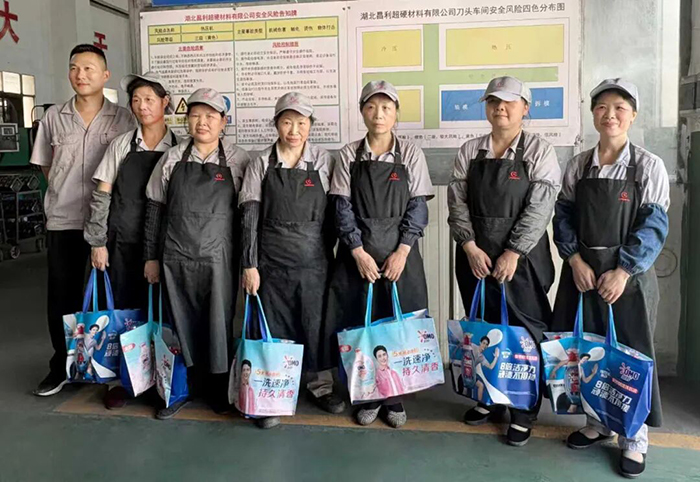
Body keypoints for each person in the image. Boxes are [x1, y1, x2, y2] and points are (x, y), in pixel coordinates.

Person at [552, 78, 669, 478]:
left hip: (629, 280)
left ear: (632, 115)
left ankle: (634, 436)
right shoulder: (578, 165)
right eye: (602, 107)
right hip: (583, 275)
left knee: (631, 354)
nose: (611, 115)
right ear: (593, 114)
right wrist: (574, 260)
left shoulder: (648, 166)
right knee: (590, 347)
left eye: (620, 107)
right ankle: (598, 421)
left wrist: (623, 271)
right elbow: (563, 217)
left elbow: (653, 226)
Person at [447, 76, 561, 446]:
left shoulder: (539, 151)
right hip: (476, 257)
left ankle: (524, 409)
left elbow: (540, 207)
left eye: (510, 102)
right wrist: (469, 245)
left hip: (522, 260)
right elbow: (457, 202)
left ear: (525, 108)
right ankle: (489, 397)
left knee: (525, 333)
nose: (501, 108)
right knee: (484, 326)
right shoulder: (471, 150)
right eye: (494, 101)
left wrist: (513, 251)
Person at [325, 80, 434, 429]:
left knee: (396, 325)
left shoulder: (411, 154)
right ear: (362, 112)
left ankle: (394, 396)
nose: (379, 114)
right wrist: (357, 251)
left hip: (400, 257)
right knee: (360, 324)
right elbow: (341, 207)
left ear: (396, 113)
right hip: (357, 257)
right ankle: (368, 394)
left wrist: (403, 251)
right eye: (371, 107)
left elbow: (418, 207)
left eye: (386, 107)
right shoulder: (348, 155)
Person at [29, 44, 136, 397]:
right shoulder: (53, 117)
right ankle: (61, 366)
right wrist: (63, 191)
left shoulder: (124, 119)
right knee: (62, 297)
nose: (81, 74)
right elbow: (46, 165)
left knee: (111, 295)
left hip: (107, 224)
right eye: (75, 68)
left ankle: (112, 368)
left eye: (89, 68)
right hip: (64, 221)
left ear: (105, 75)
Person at [144, 88, 250, 419]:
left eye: (210, 116)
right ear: (187, 120)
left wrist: (249, 263)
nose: (202, 122)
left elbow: (248, 215)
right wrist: (150, 257)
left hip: (220, 258)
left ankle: (218, 392)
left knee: (218, 324)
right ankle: (179, 389)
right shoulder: (172, 158)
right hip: (175, 255)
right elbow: (154, 210)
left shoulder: (238, 160)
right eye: (195, 115)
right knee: (179, 323)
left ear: (223, 122)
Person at [238, 92, 342, 429]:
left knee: (316, 324)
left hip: (314, 261)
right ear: (276, 124)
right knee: (275, 326)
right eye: (286, 122)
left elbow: (335, 215)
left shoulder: (323, 161)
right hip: (270, 262)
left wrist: (326, 254)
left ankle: (321, 386)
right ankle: (275, 393)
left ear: (310, 125)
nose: (294, 130)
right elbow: (249, 216)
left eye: (301, 123)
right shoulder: (261, 163)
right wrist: (250, 264)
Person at [83, 71, 178, 409]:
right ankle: (122, 381)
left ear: (165, 103)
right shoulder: (122, 145)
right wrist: (97, 241)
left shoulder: (179, 148)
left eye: (149, 99)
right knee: (123, 311)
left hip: (166, 245)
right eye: (136, 100)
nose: (142, 106)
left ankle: (162, 379)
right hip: (122, 242)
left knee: (164, 311)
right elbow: (102, 194)